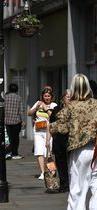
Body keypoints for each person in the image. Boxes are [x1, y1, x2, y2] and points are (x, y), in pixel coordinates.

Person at [50, 74, 97, 209]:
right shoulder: (96, 104)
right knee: (96, 184)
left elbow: (61, 127)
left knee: (78, 187)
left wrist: (51, 127)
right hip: (95, 148)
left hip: (80, 150)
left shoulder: (71, 107)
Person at [27, 88, 57, 180]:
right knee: (39, 152)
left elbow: (53, 116)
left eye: (48, 96)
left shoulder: (54, 105)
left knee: (49, 152)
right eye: (45, 96)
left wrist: (45, 107)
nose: (47, 98)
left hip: (49, 132)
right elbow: (29, 113)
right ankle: (43, 172)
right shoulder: (38, 103)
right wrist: (36, 107)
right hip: (38, 131)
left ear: (51, 97)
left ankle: (51, 171)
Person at [46, 89, 71, 193]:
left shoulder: (75, 109)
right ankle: (64, 184)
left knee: (71, 163)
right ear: (63, 99)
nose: (70, 99)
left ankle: (72, 183)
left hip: (71, 140)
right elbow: (50, 125)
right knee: (61, 163)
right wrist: (48, 139)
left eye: (72, 97)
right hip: (59, 140)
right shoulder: (56, 109)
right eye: (68, 97)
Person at [4, 83, 24, 160]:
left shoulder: (5, 98)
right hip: (16, 121)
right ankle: (14, 153)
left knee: (8, 138)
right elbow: (20, 111)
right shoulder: (19, 98)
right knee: (15, 138)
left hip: (6, 121)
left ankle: (7, 152)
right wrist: (22, 120)